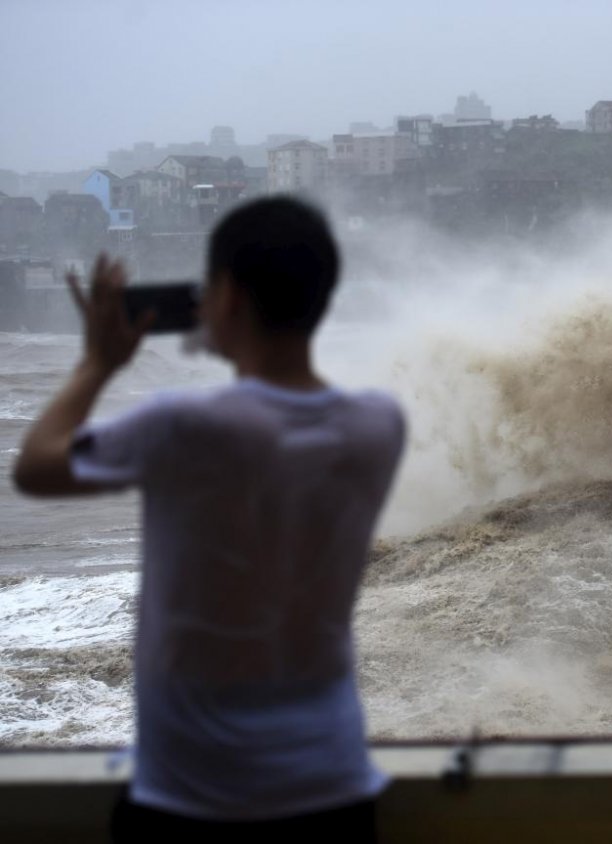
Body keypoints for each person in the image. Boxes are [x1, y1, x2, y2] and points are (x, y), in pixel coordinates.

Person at [12, 197, 405, 841]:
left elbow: (36, 467)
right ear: (324, 297)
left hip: (192, 802)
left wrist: (97, 364)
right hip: (333, 792)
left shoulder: (183, 427)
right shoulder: (377, 425)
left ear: (225, 296)